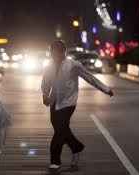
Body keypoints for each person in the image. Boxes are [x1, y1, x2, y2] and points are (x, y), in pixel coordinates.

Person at [41, 40, 114, 170]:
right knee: (60, 128)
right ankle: (76, 147)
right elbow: (45, 82)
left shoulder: (73, 65)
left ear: (63, 52)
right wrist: (45, 95)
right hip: (54, 101)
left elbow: (89, 77)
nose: (54, 56)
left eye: (57, 53)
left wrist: (106, 89)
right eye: (52, 53)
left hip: (69, 102)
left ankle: (55, 162)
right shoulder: (49, 66)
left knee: (59, 131)